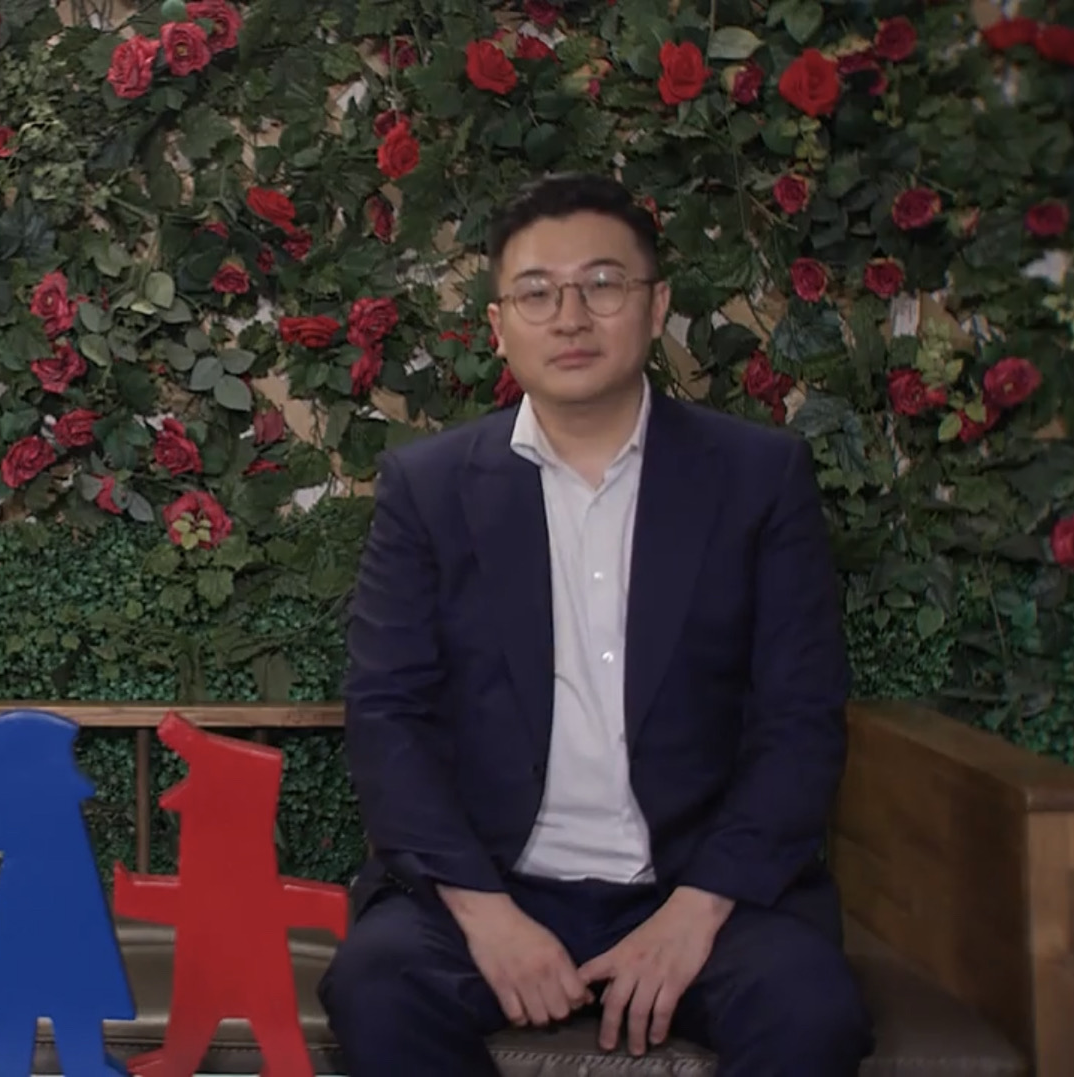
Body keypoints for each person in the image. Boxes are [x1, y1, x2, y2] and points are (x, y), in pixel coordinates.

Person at [318, 172, 873, 1076]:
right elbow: (389, 716)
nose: (571, 317)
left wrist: (697, 910)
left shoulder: (756, 477)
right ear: (500, 326)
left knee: (811, 1012)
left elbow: (799, 717)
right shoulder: (430, 489)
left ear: (656, 306)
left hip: (699, 886)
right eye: (537, 292)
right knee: (378, 989)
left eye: (603, 284)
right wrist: (488, 916)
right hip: (494, 882)